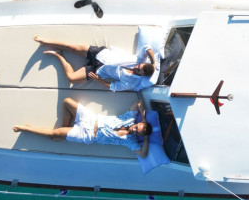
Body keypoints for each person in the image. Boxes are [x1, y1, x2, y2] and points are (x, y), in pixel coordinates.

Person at [13, 98, 151, 157]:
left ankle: (26, 128)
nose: (134, 129)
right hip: (91, 119)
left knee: (55, 134)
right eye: (137, 127)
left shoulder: (130, 141)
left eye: (137, 131)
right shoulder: (130, 118)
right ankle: (65, 129)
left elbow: (143, 154)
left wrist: (146, 138)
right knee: (67, 102)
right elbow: (139, 103)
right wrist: (144, 119)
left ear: (139, 135)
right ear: (138, 123)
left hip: (88, 135)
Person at [34, 36, 155, 91]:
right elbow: (147, 48)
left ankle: (59, 55)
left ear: (141, 75)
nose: (136, 67)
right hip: (101, 54)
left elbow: (113, 87)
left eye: (138, 70)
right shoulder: (140, 59)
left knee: (71, 78)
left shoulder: (131, 82)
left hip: (98, 70)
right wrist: (153, 63)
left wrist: (98, 80)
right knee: (73, 48)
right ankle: (45, 41)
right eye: (139, 66)